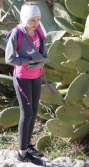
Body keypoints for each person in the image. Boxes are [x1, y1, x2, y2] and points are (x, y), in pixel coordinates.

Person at [5, 2, 48, 166]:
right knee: (27, 113)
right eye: (32, 20)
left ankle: (28, 146)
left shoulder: (39, 30)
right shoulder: (17, 33)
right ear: (24, 18)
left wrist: (41, 60)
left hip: (36, 75)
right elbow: (10, 58)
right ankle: (22, 154)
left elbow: (44, 51)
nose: (36, 23)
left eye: (38, 19)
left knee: (34, 111)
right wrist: (29, 60)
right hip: (22, 77)